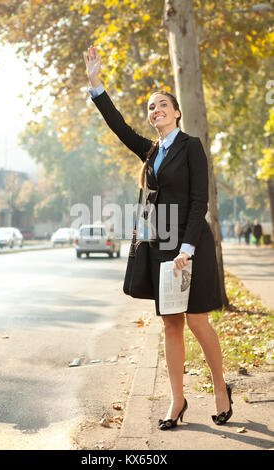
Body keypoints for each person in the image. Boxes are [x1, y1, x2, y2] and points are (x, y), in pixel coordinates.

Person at [83, 46, 233, 428]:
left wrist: (187, 248)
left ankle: (219, 387)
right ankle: (177, 401)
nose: (155, 110)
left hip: (190, 245)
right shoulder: (151, 153)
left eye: (162, 104)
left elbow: (200, 198)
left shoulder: (191, 146)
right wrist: (97, 85)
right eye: (151, 107)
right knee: (171, 324)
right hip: (161, 247)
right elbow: (118, 126)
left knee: (198, 321)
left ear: (177, 112)